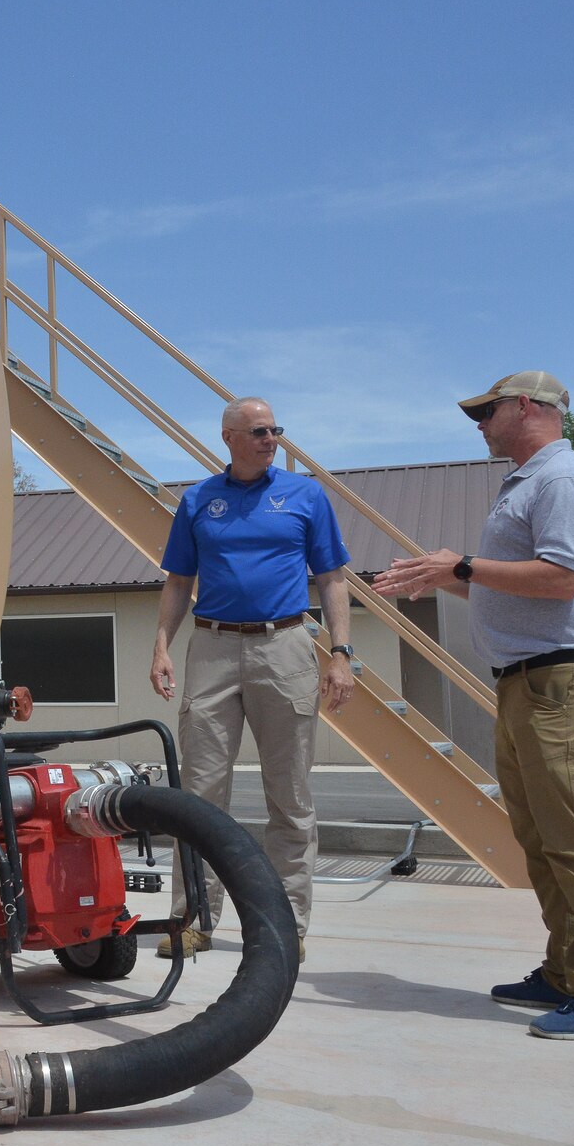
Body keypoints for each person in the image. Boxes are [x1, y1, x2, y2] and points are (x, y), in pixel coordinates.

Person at [374, 371, 574, 1040]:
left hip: (563, 684)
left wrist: (461, 566)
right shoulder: (525, 484)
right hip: (529, 684)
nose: (480, 425)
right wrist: (445, 577)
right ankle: (565, 971)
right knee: (542, 841)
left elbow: (563, 577)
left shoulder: (562, 480)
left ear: (526, 407)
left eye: (487, 412)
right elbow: (516, 584)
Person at [151, 397, 355, 961]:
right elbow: (178, 580)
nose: (271, 440)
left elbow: (332, 578)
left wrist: (340, 654)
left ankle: (286, 926)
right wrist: (162, 645)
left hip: (283, 646)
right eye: (260, 431)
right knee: (200, 794)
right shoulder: (198, 500)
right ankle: (194, 918)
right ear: (229, 437)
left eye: (275, 431)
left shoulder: (305, 496)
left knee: (289, 795)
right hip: (212, 647)